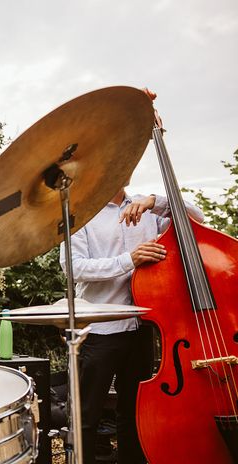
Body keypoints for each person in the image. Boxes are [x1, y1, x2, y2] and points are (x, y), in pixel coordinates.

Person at [59, 183, 204, 464]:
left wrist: (155, 201)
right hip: (98, 330)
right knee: (85, 417)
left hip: (143, 326)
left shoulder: (148, 208)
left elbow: (197, 219)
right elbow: (73, 268)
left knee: (135, 415)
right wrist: (129, 260)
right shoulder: (80, 213)